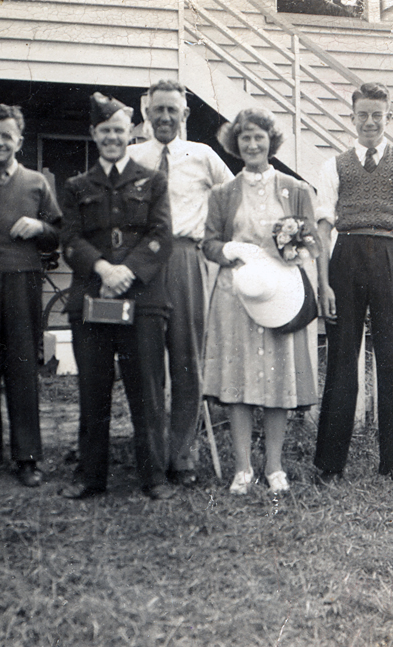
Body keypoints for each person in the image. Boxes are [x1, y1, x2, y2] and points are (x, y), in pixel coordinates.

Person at [202, 107, 325, 495]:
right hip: (235, 296)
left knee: (276, 380)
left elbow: (315, 243)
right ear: (235, 144)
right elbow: (208, 243)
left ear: (271, 141)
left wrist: (294, 250)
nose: (252, 144)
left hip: (280, 296)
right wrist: (229, 249)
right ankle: (242, 467)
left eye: (259, 137)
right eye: (244, 138)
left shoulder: (296, 188)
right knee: (237, 381)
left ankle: (274, 466)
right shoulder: (223, 194)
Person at [58, 93, 174, 501]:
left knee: (146, 388)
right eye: (104, 131)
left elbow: (161, 236)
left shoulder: (153, 181)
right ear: (93, 134)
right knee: (93, 389)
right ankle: (91, 476)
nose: (112, 138)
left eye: (119, 131)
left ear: (131, 133)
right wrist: (103, 269)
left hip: (142, 299)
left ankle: (154, 477)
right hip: (92, 298)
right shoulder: (76, 186)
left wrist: (127, 271)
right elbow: (69, 239)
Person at [314, 82, 393, 483]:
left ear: (388, 117)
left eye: (377, 115)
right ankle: (329, 466)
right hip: (345, 258)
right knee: (342, 361)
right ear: (352, 117)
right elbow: (323, 226)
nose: (369, 122)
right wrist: (323, 283)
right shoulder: (335, 165)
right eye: (362, 114)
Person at [128, 80, 233, 487]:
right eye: (159, 110)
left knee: (188, 361)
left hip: (188, 259)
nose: (165, 117)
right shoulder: (132, 157)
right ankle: (153, 457)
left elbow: (233, 198)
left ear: (185, 115)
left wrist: (220, 243)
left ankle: (182, 454)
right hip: (144, 264)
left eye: (173, 110)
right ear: (147, 113)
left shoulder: (203, 156)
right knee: (147, 362)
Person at [0, 104, 62, 488]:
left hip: (24, 282)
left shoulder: (37, 182)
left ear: (19, 141)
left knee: (23, 370)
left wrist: (40, 225)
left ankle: (27, 457)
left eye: (7, 136)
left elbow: (59, 233)